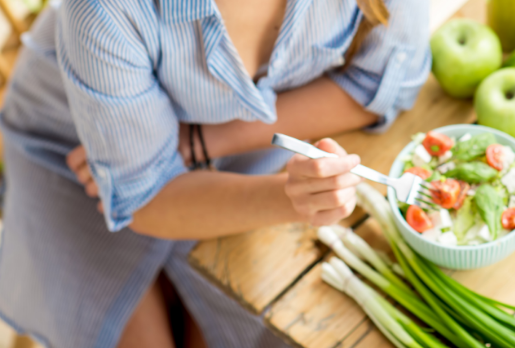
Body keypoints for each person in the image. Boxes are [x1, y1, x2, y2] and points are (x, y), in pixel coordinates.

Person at [0, 0, 430, 347]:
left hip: (236, 142)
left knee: (226, 317)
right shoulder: (102, 9)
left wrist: (205, 142)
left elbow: (383, 82)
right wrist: (290, 197)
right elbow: (150, 196)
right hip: (72, 150)